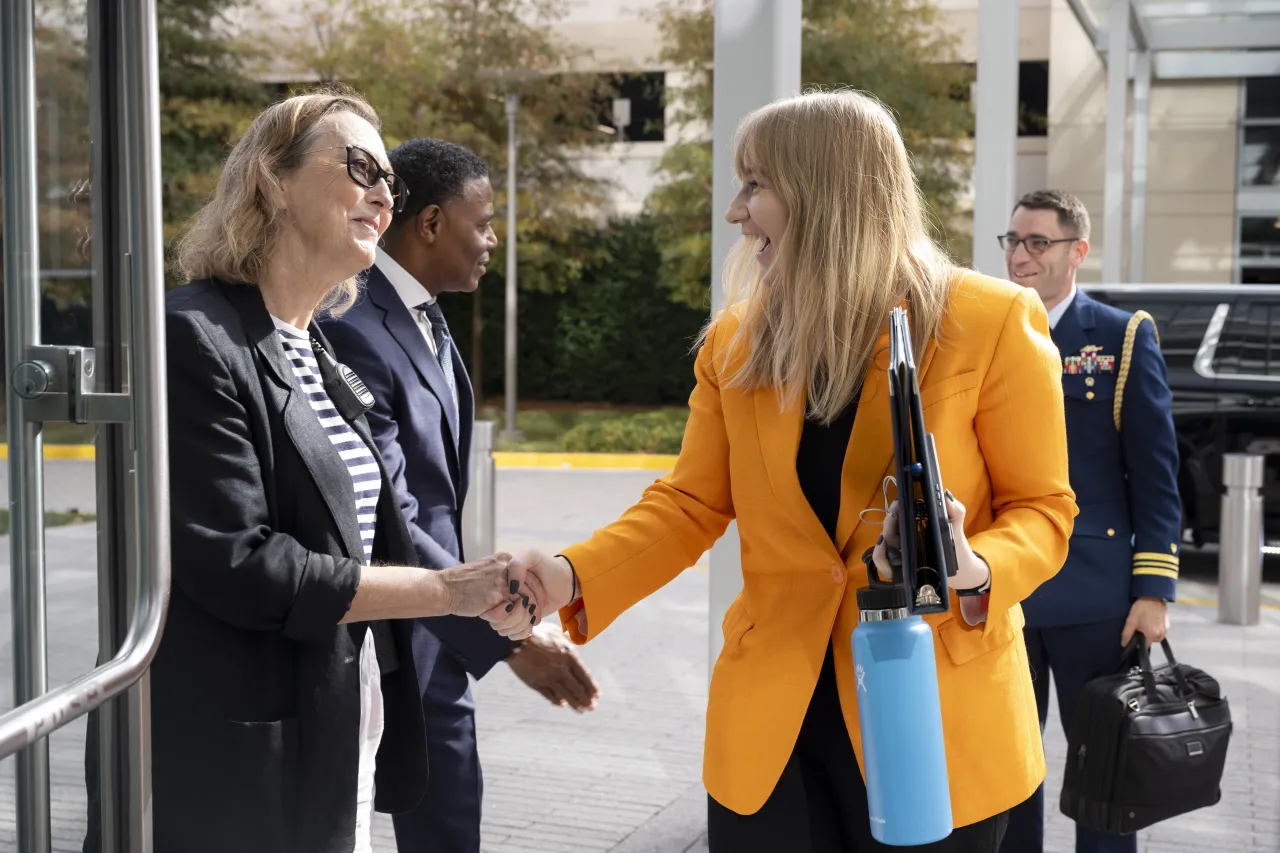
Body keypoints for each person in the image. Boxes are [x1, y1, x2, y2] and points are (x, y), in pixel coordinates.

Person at [493, 90, 1076, 853]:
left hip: (933, 720)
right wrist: (568, 575)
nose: (737, 211)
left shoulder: (993, 322)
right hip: (774, 730)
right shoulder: (736, 342)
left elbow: (1044, 510)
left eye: (756, 184)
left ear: (825, 191)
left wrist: (971, 564)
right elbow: (690, 503)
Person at [144, 90, 535, 853]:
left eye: (389, 178)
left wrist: (484, 597)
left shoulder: (315, 347)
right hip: (232, 758)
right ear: (272, 179)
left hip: (333, 729)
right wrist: (447, 591)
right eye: (360, 168)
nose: (384, 194)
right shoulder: (194, 334)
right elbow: (240, 562)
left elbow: (364, 534)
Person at [319, 137, 601, 853]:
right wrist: (504, 635)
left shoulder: (427, 317)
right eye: (483, 223)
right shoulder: (352, 326)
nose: (492, 240)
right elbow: (392, 510)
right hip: (388, 631)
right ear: (434, 223)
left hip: (437, 631)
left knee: (450, 822)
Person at [999, 189, 1181, 853]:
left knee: (1101, 770)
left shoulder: (1120, 335)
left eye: (1036, 242)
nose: (1020, 255)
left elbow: (1156, 472)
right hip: (1004, 588)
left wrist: (1154, 590)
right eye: (1013, 240)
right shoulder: (988, 326)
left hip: (1094, 595)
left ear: (1077, 250)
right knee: (1006, 770)